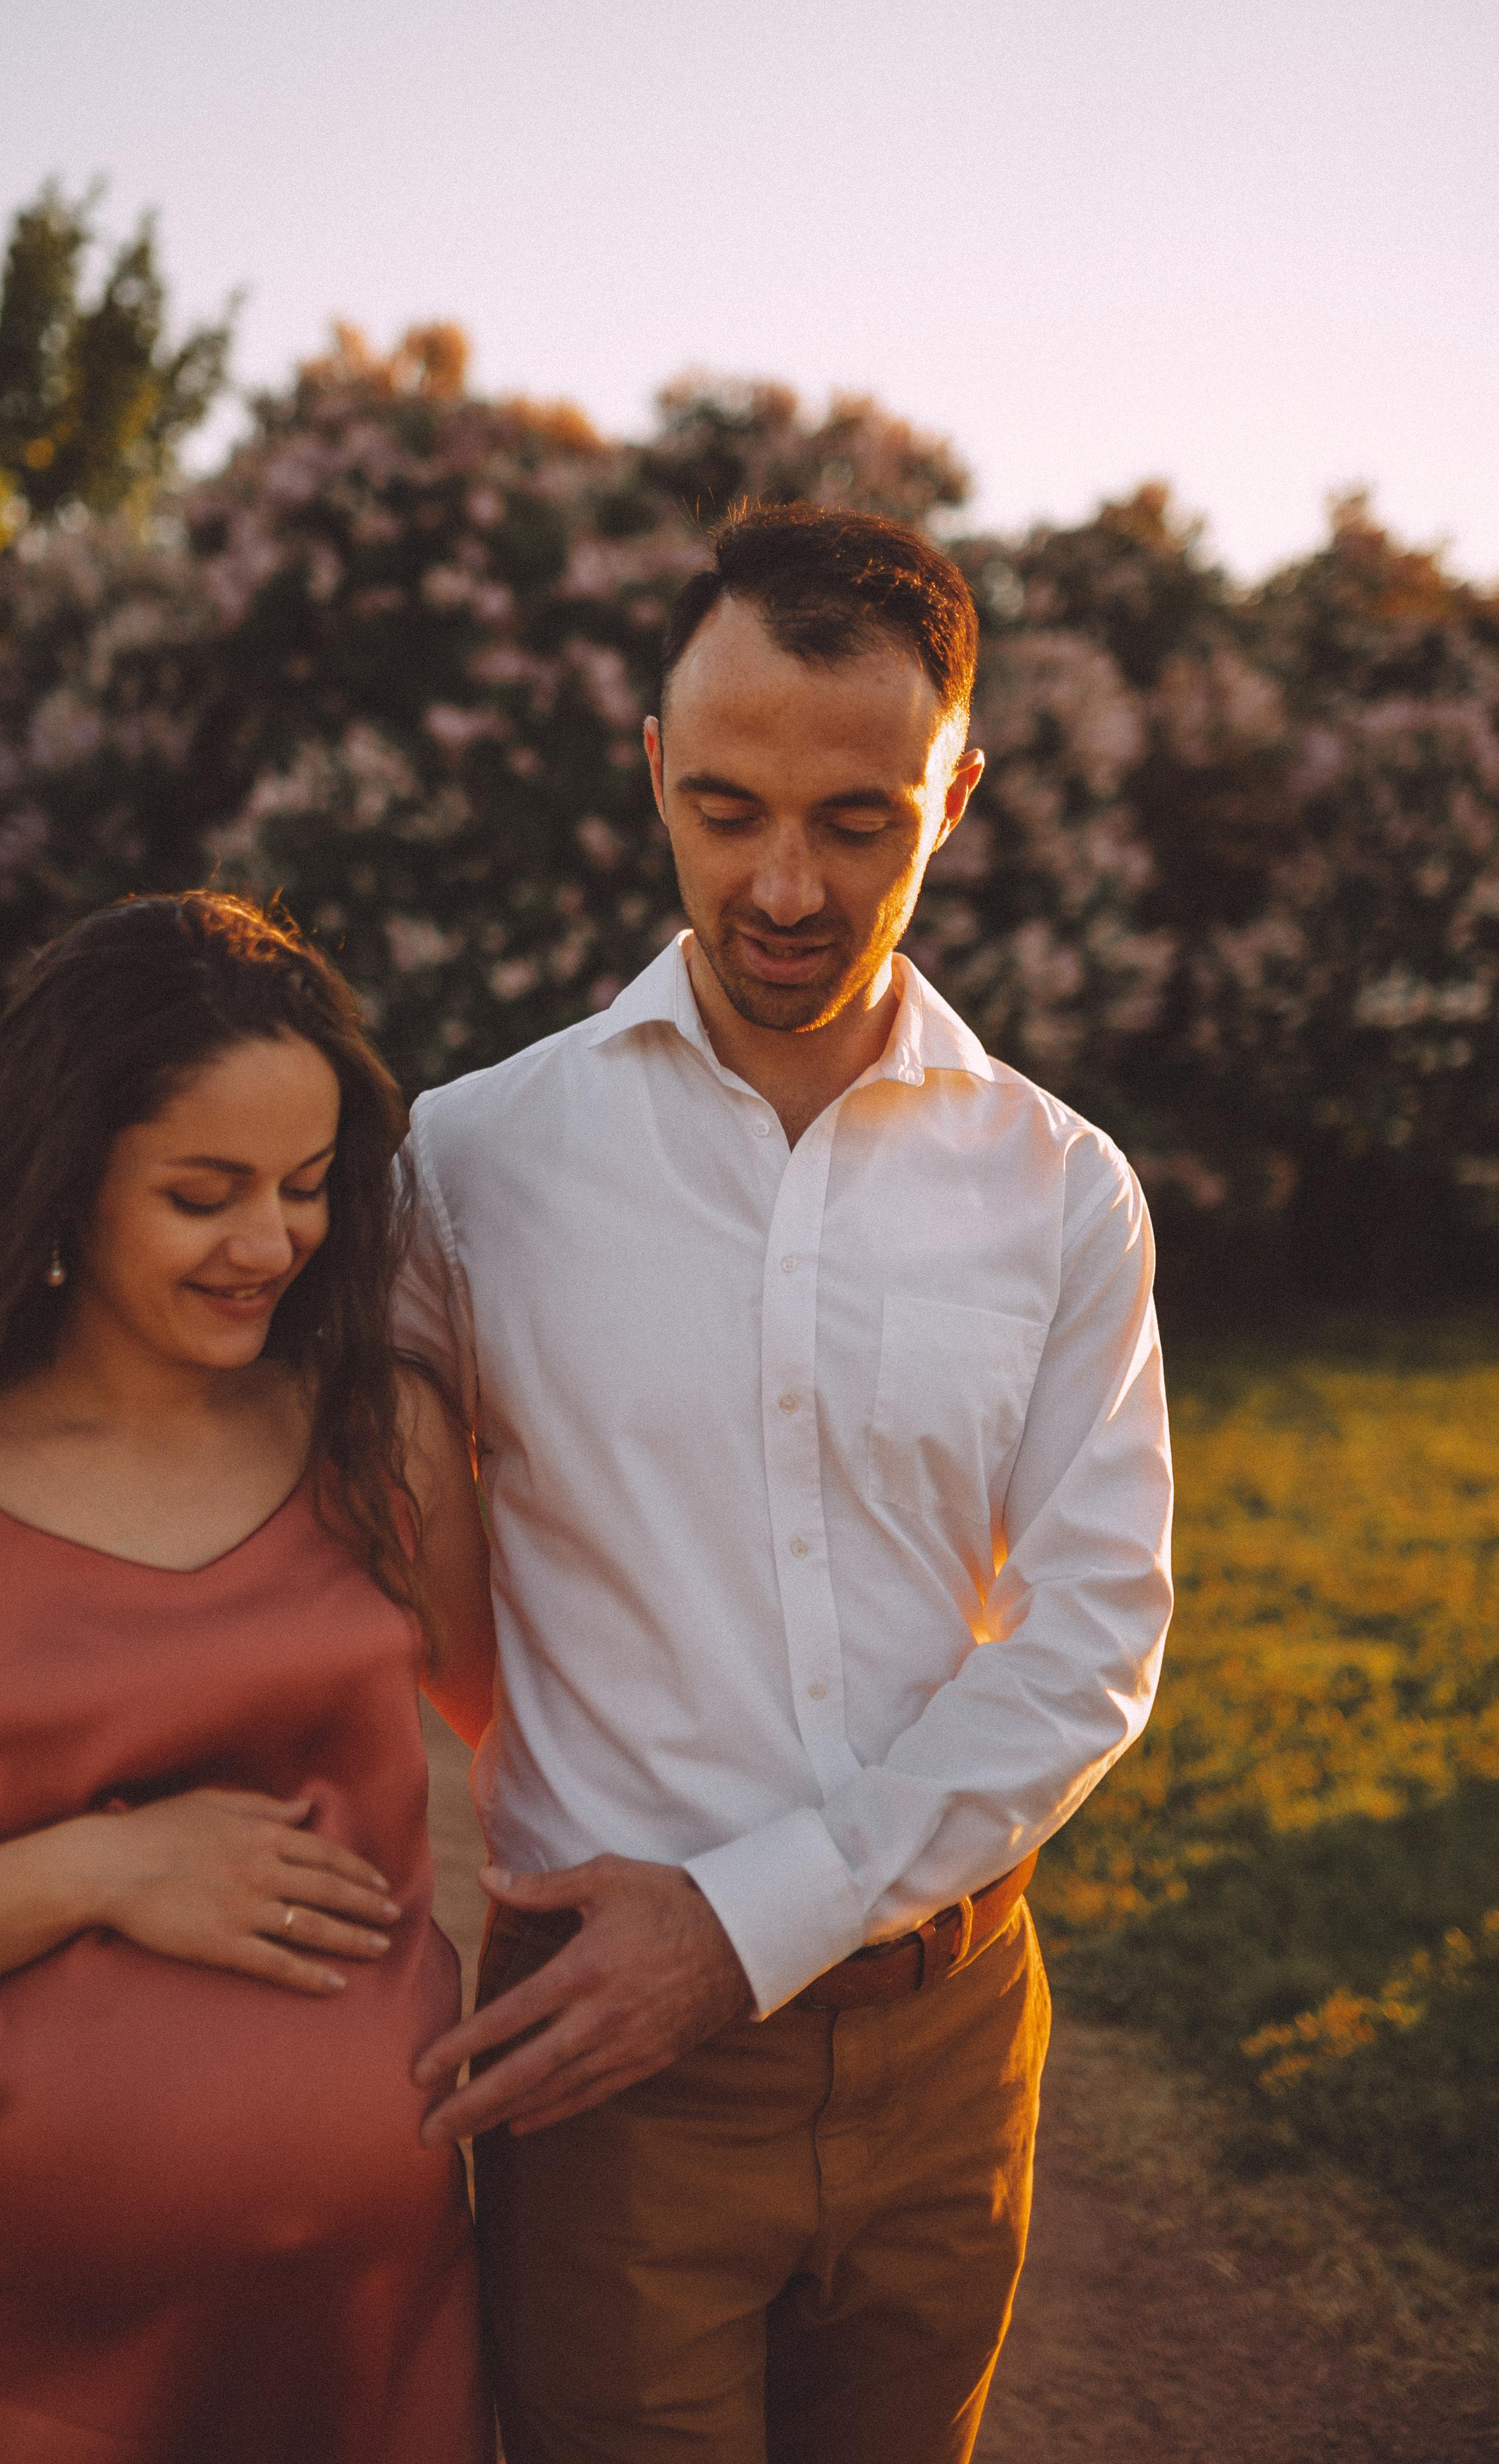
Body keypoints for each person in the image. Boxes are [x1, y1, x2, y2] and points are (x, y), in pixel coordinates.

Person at [401, 502, 1176, 2464]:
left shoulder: (1060, 1189)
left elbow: (1089, 1640)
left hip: (951, 2043)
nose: (780, 882)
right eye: (727, 804)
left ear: (959, 790)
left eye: (858, 818)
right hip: (613, 2078)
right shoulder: (468, 1166)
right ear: (654, 765)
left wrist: (747, 1921)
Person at [0, 891, 497, 2464]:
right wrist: (103, 1866)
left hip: (371, 2314)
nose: (270, 1243)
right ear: (63, 1185)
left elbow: (530, 1736)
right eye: (203, 1195)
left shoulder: (383, 1441)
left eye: (303, 1188)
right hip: (33, 2351)